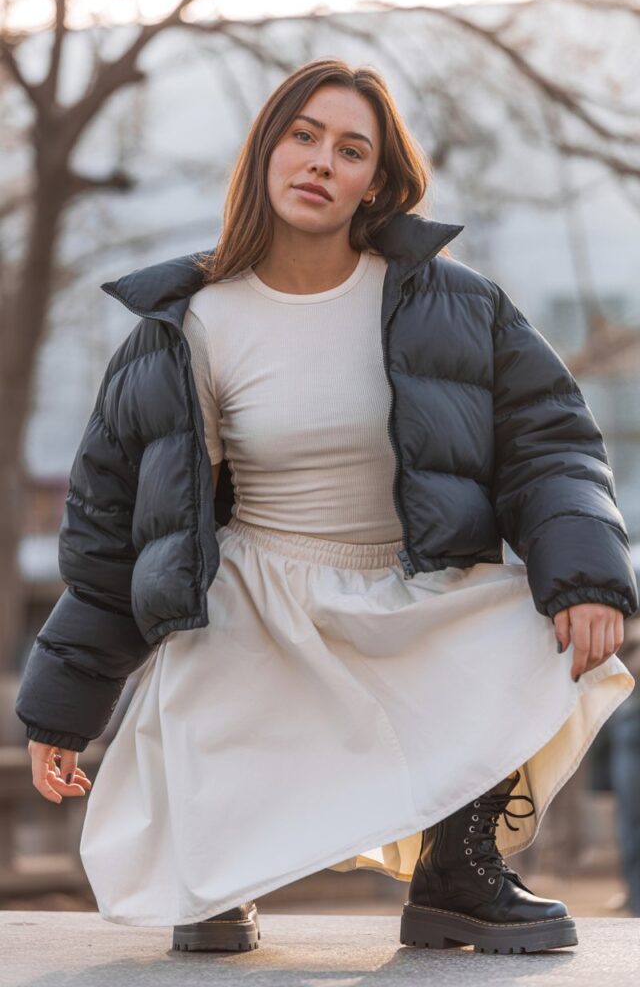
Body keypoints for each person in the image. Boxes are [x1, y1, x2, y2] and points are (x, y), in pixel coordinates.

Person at [15, 58, 638, 956]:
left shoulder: (455, 304)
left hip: (410, 587)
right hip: (261, 602)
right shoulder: (183, 327)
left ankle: (458, 875)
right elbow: (115, 531)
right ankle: (224, 868)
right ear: (267, 152)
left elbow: (551, 444)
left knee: (527, 620)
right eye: (303, 135)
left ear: (375, 183)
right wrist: (60, 712)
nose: (320, 161)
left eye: (351, 150)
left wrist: (588, 578)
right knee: (202, 662)